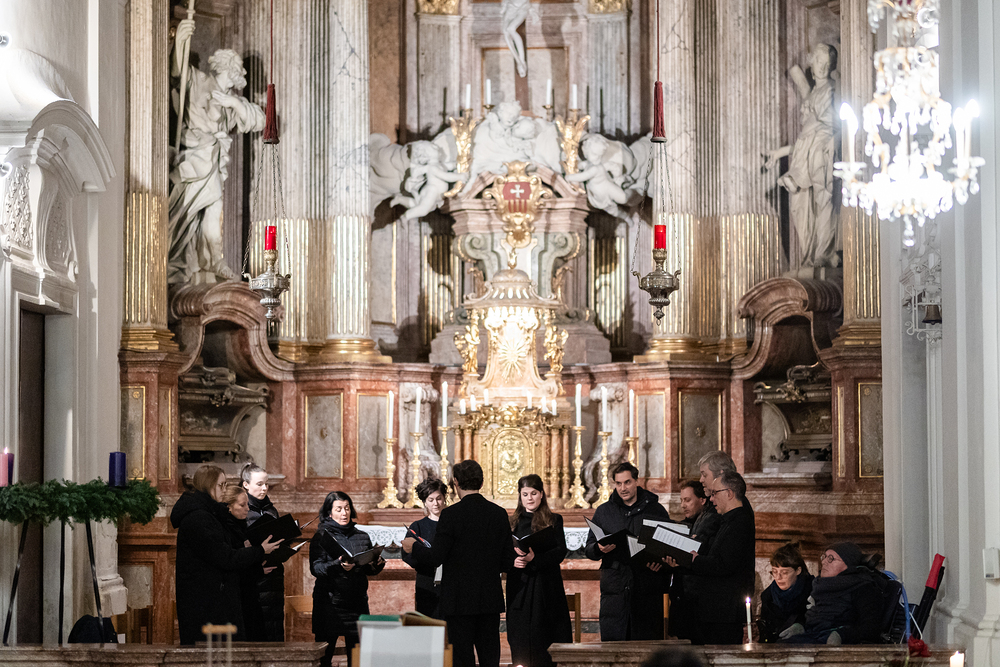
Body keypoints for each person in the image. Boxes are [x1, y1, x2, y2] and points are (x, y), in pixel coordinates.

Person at [168, 18, 264, 284]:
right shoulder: (198, 80)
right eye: (237, 69)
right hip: (194, 158)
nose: (239, 74)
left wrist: (233, 102)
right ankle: (179, 258)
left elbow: (260, 120)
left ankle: (212, 261)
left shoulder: (232, 102)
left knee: (214, 205)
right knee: (185, 213)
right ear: (228, 68)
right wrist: (180, 40)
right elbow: (177, 72)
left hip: (212, 162)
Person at [401, 460, 514, 667]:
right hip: (488, 599)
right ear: (482, 482)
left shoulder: (450, 515)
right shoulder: (498, 514)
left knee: (462, 659)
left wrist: (413, 547)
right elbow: (508, 561)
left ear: (456, 482)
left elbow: (436, 557)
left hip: (458, 600)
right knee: (490, 658)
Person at [170, 465, 282, 644]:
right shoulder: (198, 518)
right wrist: (260, 550)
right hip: (206, 606)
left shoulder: (210, 515)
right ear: (208, 485)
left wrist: (254, 562)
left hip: (216, 603)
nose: (224, 489)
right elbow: (225, 557)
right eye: (221, 485)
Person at [764, 44, 839, 268]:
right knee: (799, 206)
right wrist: (779, 153)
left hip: (822, 150)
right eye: (819, 62)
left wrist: (832, 140)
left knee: (823, 200)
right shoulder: (814, 93)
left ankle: (823, 253)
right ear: (811, 62)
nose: (822, 67)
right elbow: (802, 141)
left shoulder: (832, 91)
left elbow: (835, 125)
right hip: (806, 150)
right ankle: (810, 253)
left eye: (827, 63)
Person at [585, 461, 672, 641]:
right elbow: (589, 549)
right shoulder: (604, 511)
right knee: (614, 646)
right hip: (615, 591)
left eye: (627, 482)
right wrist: (599, 548)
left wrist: (661, 565)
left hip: (646, 588)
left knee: (645, 646)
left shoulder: (656, 510)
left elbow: (668, 548)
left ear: (636, 481)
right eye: (618, 483)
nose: (623, 488)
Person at [666, 470, 755, 645]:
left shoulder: (739, 523)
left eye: (715, 493)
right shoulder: (726, 521)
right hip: (715, 610)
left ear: (729, 493)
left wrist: (694, 560)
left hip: (725, 611)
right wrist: (682, 563)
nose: (711, 499)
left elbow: (724, 564)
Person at [310, 491, 385, 667]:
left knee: (358, 659)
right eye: (339, 509)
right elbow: (316, 568)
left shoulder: (362, 536)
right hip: (329, 604)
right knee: (324, 658)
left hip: (357, 604)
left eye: (347, 508)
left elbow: (368, 569)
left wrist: (377, 563)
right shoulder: (321, 536)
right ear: (329, 512)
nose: (344, 513)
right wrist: (338, 564)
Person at [506, 474, 572, 667]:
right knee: (521, 639)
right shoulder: (511, 522)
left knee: (545, 637)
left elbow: (560, 551)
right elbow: (502, 553)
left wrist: (535, 559)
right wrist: (513, 561)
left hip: (546, 586)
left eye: (534, 493)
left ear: (542, 494)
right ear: (520, 496)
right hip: (520, 587)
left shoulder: (554, 520)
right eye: (525, 494)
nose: (530, 498)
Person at [780, 542, 882, 645]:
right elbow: (811, 617)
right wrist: (800, 626)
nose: (824, 562)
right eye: (824, 557)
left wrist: (842, 635)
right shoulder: (818, 587)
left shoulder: (863, 588)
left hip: (842, 644)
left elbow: (871, 628)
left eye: (831, 558)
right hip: (812, 636)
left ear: (848, 564)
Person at [668, 480, 718, 641]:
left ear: (702, 500)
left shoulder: (710, 522)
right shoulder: (684, 526)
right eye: (681, 500)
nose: (683, 505)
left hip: (699, 600)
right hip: (682, 598)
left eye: (687, 500)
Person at [221, 484, 271, 641]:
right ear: (229, 506)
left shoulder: (242, 527)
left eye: (247, 504)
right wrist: (259, 551)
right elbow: (233, 563)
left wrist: (258, 569)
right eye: (242, 505)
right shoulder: (226, 530)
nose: (247, 509)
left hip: (249, 594)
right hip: (237, 599)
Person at [241, 463, 285, 641]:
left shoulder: (270, 509)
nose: (265, 488)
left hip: (274, 574)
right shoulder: (242, 510)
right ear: (246, 484)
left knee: (275, 627)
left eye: (266, 484)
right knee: (258, 630)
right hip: (255, 575)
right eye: (259, 484)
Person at [401, 478, 449, 617]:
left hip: (449, 582)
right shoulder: (418, 526)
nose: (436, 503)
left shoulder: (451, 524)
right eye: (431, 500)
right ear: (424, 502)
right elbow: (407, 555)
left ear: (444, 498)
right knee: (428, 623)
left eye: (439, 499)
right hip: (426, 582)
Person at [758, 542, 814, 643]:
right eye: (774, 572)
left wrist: (802, 627)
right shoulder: (768, 596)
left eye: (784, 572)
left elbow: (820, 623)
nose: (778, 577)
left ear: (798, 570)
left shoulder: (813, 591)